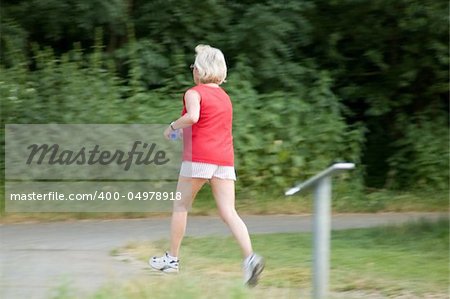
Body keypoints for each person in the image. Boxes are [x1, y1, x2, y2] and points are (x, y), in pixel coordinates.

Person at [150, 44, 264, 286]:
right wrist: (181, 132)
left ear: (200, 71)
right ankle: (250, 258)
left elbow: (193, 117)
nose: (193, 70)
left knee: (181, 205)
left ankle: (172, 260)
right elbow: (206, 126)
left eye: (194, 66)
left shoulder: (194, 92)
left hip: (199, 159)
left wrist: (172, 126)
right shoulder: (225, 98)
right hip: (224, 160)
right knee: (229, 212)